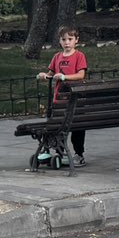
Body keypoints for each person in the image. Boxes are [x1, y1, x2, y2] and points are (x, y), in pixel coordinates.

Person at [38, 25, 90, 162]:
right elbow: (51, 73)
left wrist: (65, 77)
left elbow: (81, 75)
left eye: (70, 39)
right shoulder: (57, 57)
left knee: (77, 127)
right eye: (64, 39)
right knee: (55, 124)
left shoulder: (79, 56)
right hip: (59, 99)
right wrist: (45, 76)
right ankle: (58, 152)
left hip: (75, 99)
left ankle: (79, 153)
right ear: (60, 41)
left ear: (76, 40)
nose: (67, 42)